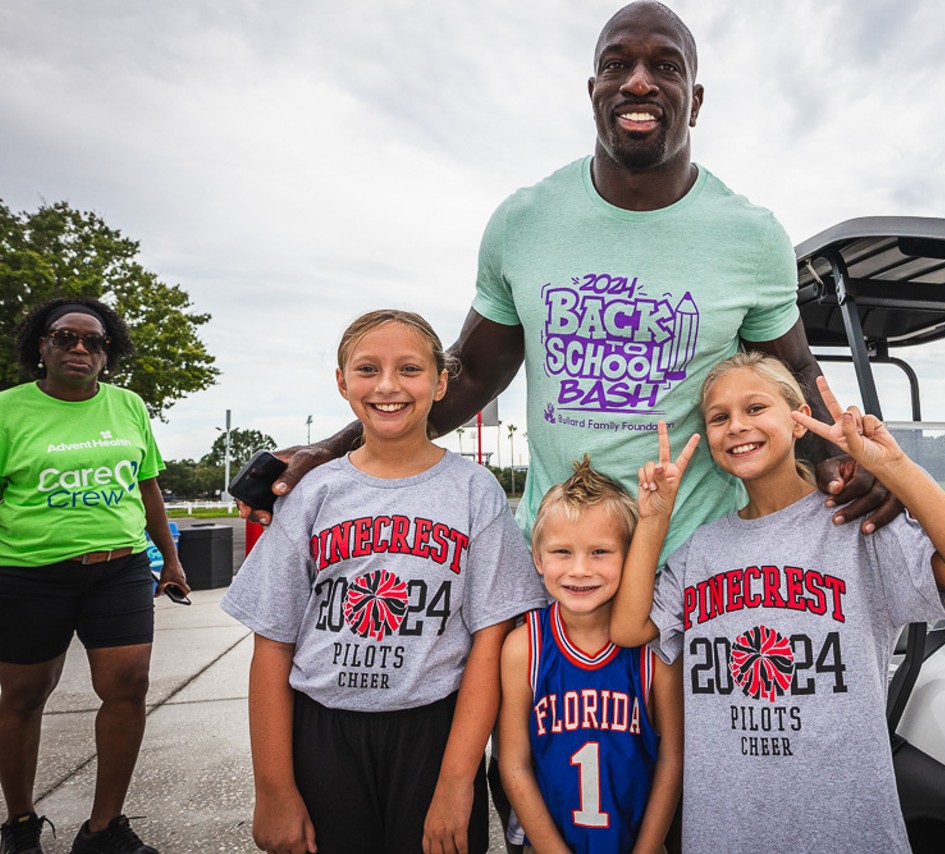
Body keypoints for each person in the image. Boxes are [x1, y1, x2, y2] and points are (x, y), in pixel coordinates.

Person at [247, 0, 903, 555]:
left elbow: (794, 375)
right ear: (592, 92)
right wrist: (336, 449)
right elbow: (468, 376)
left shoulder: (752, 236)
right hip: (559, 562)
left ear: (695, 102)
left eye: (665, 68)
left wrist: (850, 461)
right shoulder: (522, 221)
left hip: (698, 562)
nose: (639, 82)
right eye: (617, 65)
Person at [610, 352, 945, 851]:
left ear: (799, 420)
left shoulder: (857, 524)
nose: (737, 426)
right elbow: (628, 630)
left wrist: (893, 465)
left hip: (847, 831)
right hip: (728, 831)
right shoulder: (702, 552)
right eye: (719, 417)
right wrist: (653, 519)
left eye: (755, 408)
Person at [220, 310, 545, 854]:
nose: (388, 385)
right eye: (368, 369)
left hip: (435, 732)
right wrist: (273, 791)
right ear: (343, 381)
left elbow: (493, 635)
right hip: (322, 732)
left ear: (442, 382)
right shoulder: (312, 493)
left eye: (410, 369)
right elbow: (272, 643)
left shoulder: (475, 490)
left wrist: (455, 782)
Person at [0, 296, 189, 854]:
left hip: (119, 568)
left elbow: (147, 486)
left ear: (109, 353)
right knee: (24, 695)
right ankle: (20, 824)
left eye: (95, 341)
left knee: (128, 688)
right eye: (65, 337)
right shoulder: (8, 410)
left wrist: (170, 560)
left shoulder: (128, 406)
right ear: (43, 345)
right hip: (28, 573)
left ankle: (104, 829)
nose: (80, 348)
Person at [497, 459, 681, 853]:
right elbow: (513, 765)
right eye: (562, 551)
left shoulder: (655, 652)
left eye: (600, 551)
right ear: (537, 558)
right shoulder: (524, 648)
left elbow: (672, 758)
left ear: (630, 557)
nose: (580, 570)